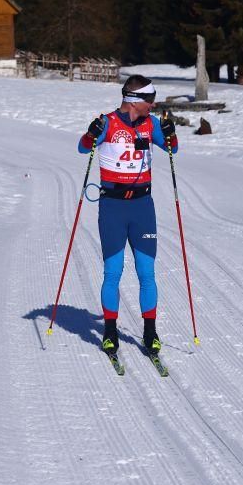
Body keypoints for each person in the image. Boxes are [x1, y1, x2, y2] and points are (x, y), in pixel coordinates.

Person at [78, 75, 178, 355]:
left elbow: (173, 148)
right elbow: (83, 147)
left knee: (146, 272)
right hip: (113, 207)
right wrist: (91, 133)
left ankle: (150, 332)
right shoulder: (108, 123)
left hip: (142, 207)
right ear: (134, 100)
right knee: (113, 272)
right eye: (150, 100)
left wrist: (170, 133)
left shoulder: (151, 124)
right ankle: (110, 332)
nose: (153, 104)